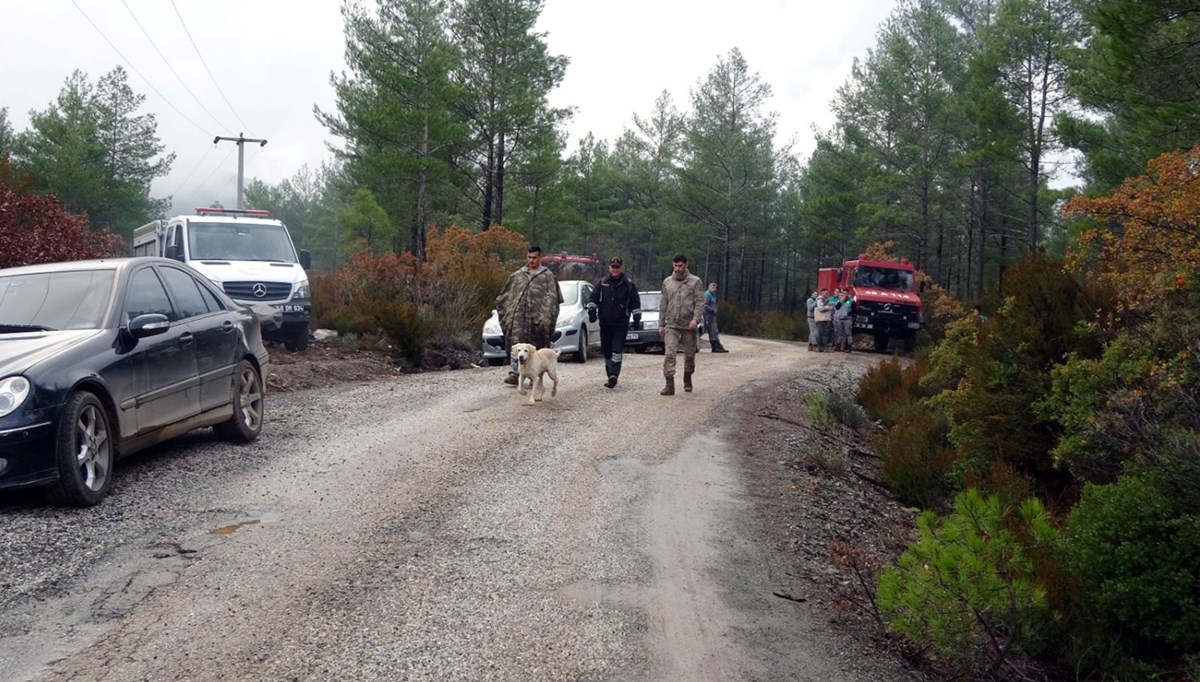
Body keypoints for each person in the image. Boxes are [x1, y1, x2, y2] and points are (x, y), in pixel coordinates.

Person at [495, 244, 562, 386]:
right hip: (519, 318)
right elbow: (505, 298)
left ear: (540, 258)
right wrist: (508, 315)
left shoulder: (547, 277)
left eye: (535, 257)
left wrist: (547, 317)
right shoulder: (517, 276)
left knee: (535, 346)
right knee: (516, 344)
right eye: (529, 257)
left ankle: (535, 374)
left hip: (538, 318)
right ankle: (515, 372)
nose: (531, 260)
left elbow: (554, 300)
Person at [587, 256, 642, 388]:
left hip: (621, 324)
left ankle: (614, 374)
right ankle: (609, 374)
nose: (615, 269)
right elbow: (593, 298)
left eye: (617, 267)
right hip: (605, 323)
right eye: (613, 267)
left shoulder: (628, 284)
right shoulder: (602, 282)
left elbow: (635, 302)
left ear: (621, 268)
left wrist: (636, 318)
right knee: (607, 351)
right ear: (609, 268)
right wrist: (592, 312)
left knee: (617, 350)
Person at [658, 253, 706, 395]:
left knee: (689, 354)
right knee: (670, 353)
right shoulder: (667, 282)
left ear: (686, 264)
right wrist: (661, 324)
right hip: (671, 324)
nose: (678, 269)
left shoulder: (695, 282)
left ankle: (687, 376)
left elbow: (699, 302)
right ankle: (669, 383)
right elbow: (663, 304)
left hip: (688, 324)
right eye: (675, 266)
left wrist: (695, 319)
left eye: (680, 265)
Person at [703, 282, 728, 353]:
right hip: (708, 315)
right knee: (711, 331)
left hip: (712, 316)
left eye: (715, 288)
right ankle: (715, 347)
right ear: (709, 287)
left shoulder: (713, 295)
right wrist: (712, 310)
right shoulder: (707, 295)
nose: (714, 289)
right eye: (713, 287)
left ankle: (717, 347)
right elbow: (705, 306)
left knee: (714, 331)